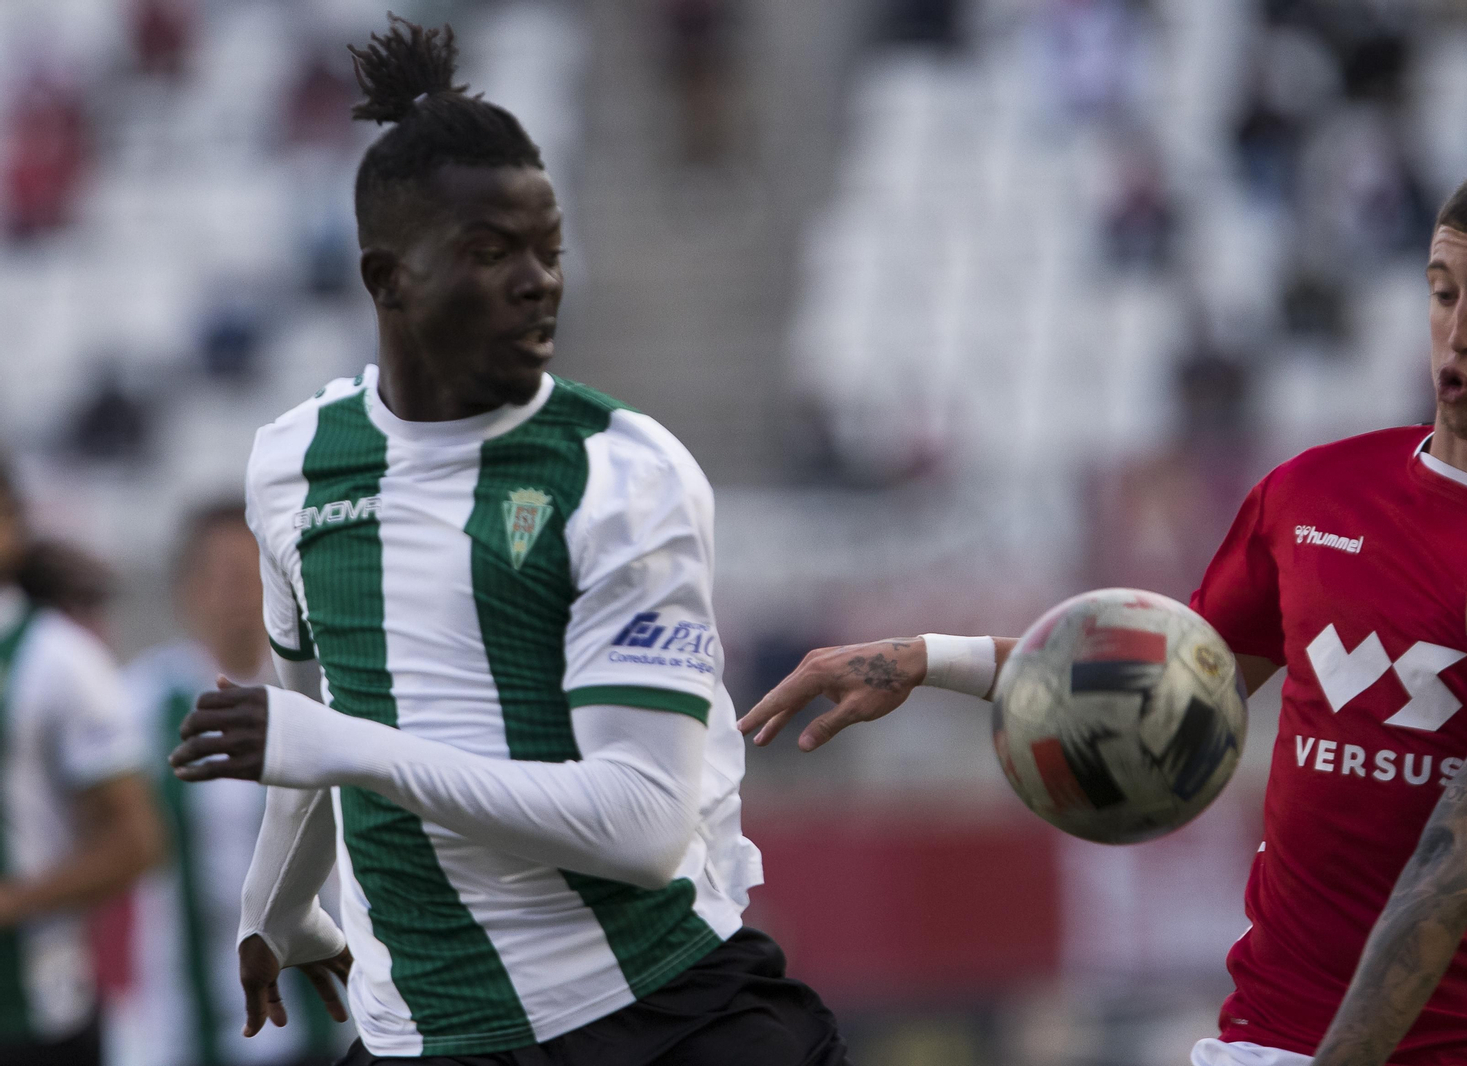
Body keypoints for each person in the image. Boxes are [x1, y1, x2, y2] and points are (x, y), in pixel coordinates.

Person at [739, 153, 1467, 1066]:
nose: (1456, 331)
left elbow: (1458, 855)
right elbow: (1163, 682)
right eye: (1440, 292)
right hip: (1267, 1038)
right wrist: (925, 659)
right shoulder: (1315, 496)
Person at [166, 17, 851, 1066]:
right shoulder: (293, 466)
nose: (538, 280)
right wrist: (278, 908)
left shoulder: (621, 470)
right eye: (491, 254)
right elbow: (304, 726)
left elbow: (640, 822)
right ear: (386, 278)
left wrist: (347, 751)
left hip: (650, 1015)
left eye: (549, 249)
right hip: (421, 1039)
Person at [125, 502, 344, 1066]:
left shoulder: (323, 693)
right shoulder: (143, 701)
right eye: (219, 577)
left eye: (251, 575)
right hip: (184, 1021)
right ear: (185, 591)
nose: (237, 594)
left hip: (321, 1018)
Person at [0, 458, 165, 1065]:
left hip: (37, 1013)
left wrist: (12, 903)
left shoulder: (59, 658)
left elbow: (137, 843)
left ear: (12, 526)